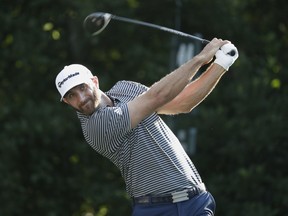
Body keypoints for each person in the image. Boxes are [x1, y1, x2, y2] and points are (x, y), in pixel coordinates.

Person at [55, 38, 238, 216]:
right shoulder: (96, 126)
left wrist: (221, 63)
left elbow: (180, 103)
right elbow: (157, 96)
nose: (80, 98)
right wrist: (200, 59)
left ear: (94, 81)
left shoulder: (124, 88)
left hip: (195, 202)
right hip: (155, 209)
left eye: (82, 88)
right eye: (71, 95)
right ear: (66, 101)